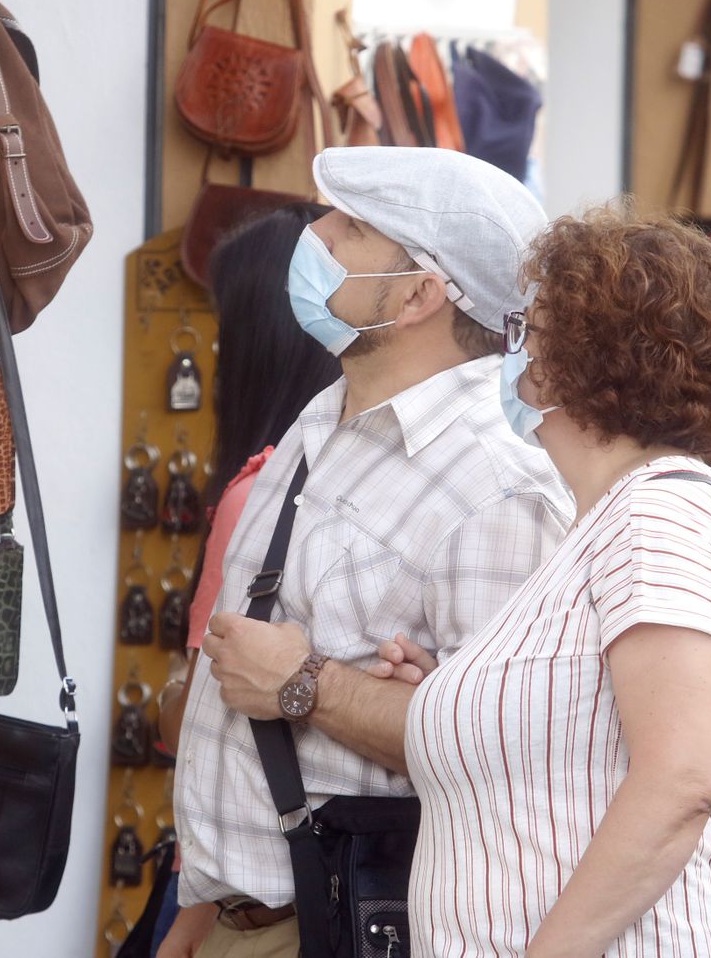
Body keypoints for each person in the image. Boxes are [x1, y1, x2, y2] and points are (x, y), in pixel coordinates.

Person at [173, 146, 572, 957]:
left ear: (423, 293)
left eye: (350, 227)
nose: (313, 235)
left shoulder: (496, 488)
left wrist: (304, 685)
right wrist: (199, 914)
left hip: (345, 928)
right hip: (238, 918)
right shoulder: (329, 413)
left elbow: (506, 754)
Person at [375, 203, 711, 955]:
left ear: (587, 356)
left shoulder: (657, 516)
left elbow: (682, 776)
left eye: (530, 328)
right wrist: (456, 699)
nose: (513, 350)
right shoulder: (608, 521)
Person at [152, 204, 342, 956]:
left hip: (244, 904)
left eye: (228, 321)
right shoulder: (350, 484)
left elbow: (203, 729)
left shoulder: (259, 494)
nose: (219, 343)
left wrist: (171, 699)